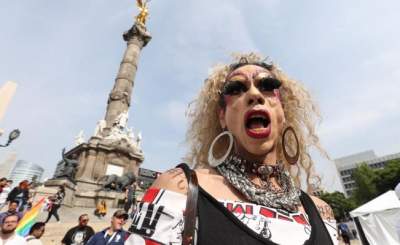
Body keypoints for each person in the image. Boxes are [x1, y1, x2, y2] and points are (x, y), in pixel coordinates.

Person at [127, 53, 338, 245]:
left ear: (283, 111)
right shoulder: (179, 188)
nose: (254, 94)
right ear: (222, 117)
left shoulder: (322, 211)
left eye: (267, 85)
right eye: (236, 89)